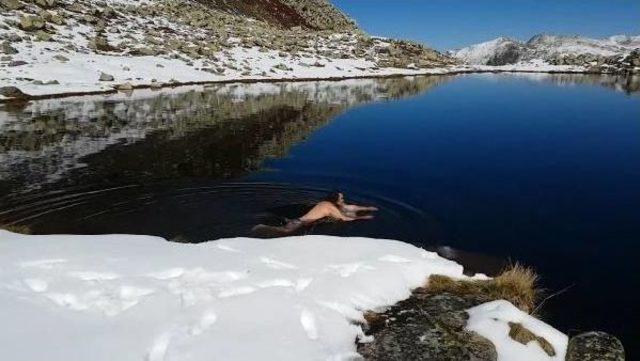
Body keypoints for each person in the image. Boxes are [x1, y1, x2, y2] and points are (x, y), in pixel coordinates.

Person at [252, 191, 378, 235]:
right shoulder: (329, 207)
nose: (343, 200)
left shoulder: (325, 203)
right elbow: (344, 218)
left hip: (299, 220)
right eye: (341, 198)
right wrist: (363, 218)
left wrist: (368, 208)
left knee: (286, 227)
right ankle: (262, 227)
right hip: (299, 222)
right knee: (284, 231)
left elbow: (349, 207)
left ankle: (266, 219)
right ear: (335, 200)